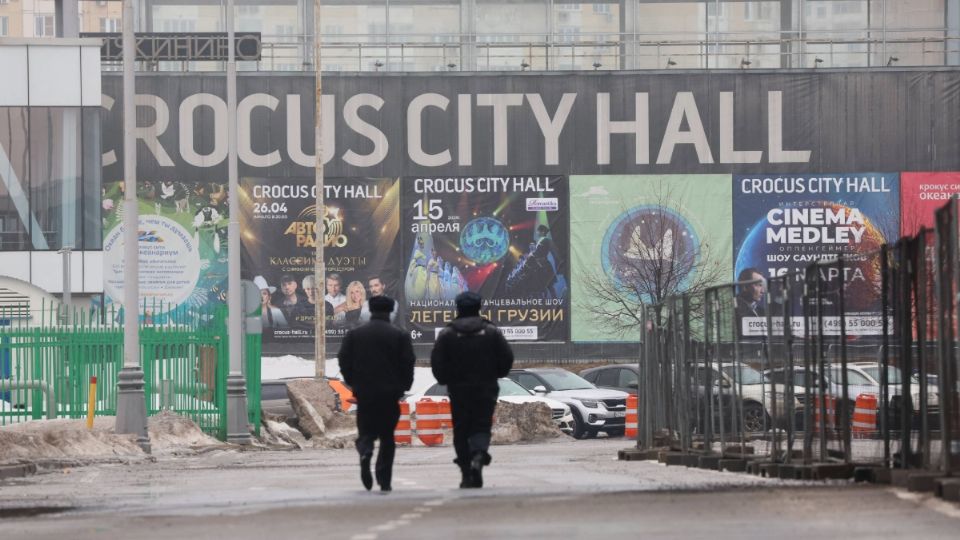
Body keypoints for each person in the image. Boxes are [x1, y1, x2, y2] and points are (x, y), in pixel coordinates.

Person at [431, 292, 514, 488]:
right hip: (486, 388)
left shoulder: (447, 334)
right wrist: (497, 373)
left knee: (461, 429)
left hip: (458, 391)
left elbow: (437, 362)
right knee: (481, 425)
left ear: (457, 309)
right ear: (479, 308)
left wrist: (445, 379)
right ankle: (478, 455)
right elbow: (506, 357)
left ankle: (466, 472)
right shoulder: (491, 332)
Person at [338, 296, 416, 493]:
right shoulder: (399, 335)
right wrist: (404, 386)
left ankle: (365, 450)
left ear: (370, 310)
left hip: (365, 393)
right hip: (390, 394)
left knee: (366, 431)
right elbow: (407, 363)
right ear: (390, 311)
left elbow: (344, 360)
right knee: (387, 437)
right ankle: (385, 479)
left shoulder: (355, 334)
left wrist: (353, 382)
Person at [735, 267, 766, 340]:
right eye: (758, 285)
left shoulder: (761, 311)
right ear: (745, 286)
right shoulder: (736, 309)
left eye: (762, 285)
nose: (762, 291)